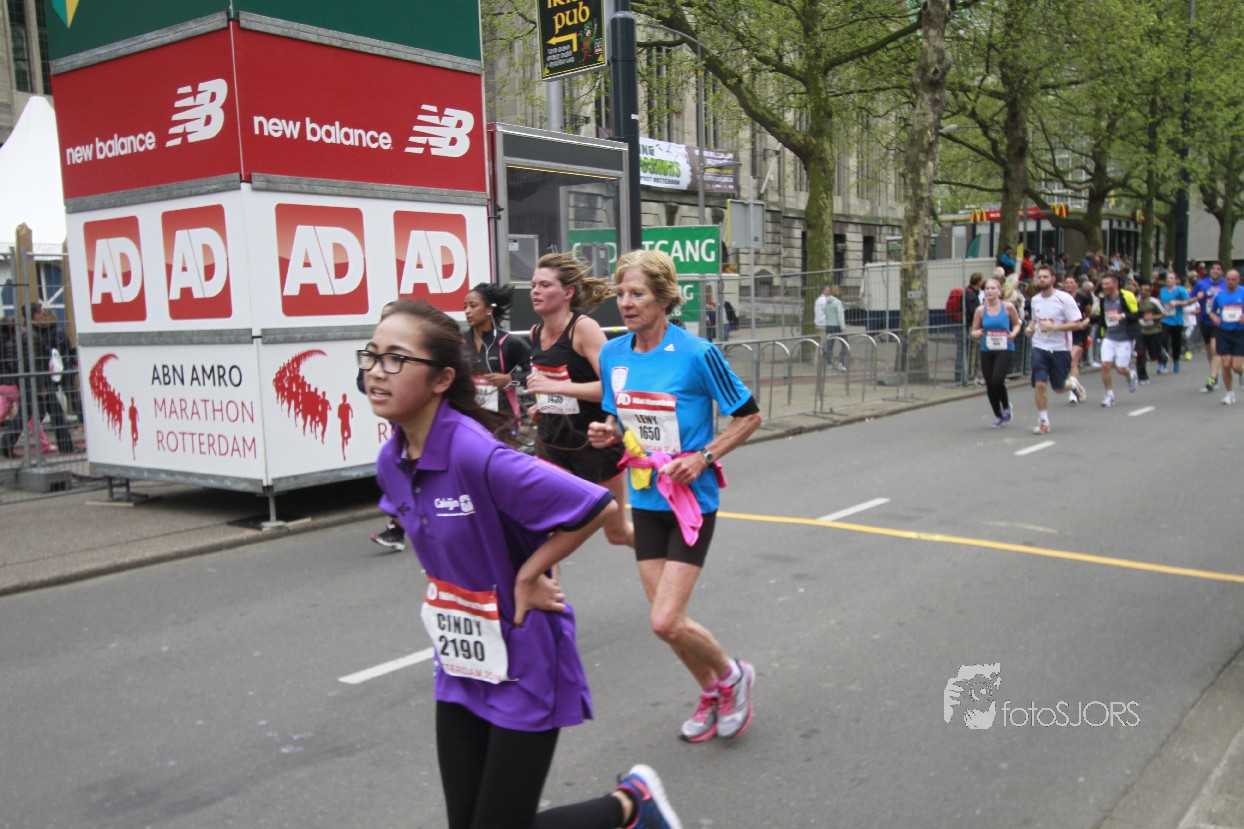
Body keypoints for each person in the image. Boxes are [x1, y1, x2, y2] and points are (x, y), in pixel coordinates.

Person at [362, 300, 682, 829]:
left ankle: (631, 804)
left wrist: (530, 575)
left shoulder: (474, 454)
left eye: (396, 358)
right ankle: (632, 806)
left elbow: (595, 505)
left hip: (524, 658)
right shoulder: (392, 460)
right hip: (462, 657)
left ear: (442, 379)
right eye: (372, 355)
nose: (376, 370)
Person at [587, 249, 762, 744]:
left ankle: (732, 677)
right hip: (646, 499)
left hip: (690, 503)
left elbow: (750, 416)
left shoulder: (697, 354)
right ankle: (711, 691)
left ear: (664, 298)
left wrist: (703, 456)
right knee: (666, 623)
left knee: (666, 619)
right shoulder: (613, 354)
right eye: (621, 293)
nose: (626, 303)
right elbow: (621, 421)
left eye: (637, 293)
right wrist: (607, 433)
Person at [526, 252, 634, 548]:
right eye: (533, 285)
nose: (535, 291)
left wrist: (557, 388)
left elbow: (613, 388)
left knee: (617, 534)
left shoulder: (583, 329)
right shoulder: (536, 333)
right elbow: (555, 389)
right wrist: (543, 404)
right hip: (552, 444)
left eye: (545, 285)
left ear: (568, 292)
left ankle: (663, 556)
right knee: (543, 531)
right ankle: (543, 581)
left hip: (594, 445)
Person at [1026, 265, 1088, 434]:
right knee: (1039, 384)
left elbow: (1077, 323)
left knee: (1058, 388)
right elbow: (1035, 320)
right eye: (1039, 277)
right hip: (1039, 346)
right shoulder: (1035, 300)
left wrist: (1055, 327)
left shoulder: (1064, 299)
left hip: (1060, 348)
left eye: (1045, 277)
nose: (1041, 280)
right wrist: (1030, 328)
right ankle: (1044, 422)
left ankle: (1073, 384)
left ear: (1053, 279)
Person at [464, 282, 531, 429]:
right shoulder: (461, 342)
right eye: (465, 307)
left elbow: (535, 373)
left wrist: (510, 379)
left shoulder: (509, 342)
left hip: (503, 420)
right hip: (471, 419)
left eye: (473, 306)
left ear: (489, 309)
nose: (467, 311)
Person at [970, 276, 1022, 427]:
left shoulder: (1008, 307)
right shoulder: (980, 310)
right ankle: (998, 415)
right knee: (989, 384)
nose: (990, 291)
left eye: (993, 288)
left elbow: (1017, 324)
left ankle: (1006, 406)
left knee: (997, 380)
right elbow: (973, 331)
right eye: (987, 288)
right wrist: (976, 333)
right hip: (987, 348)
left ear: (999, 291)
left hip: (1005, 348)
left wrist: (1013, 334)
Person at [1093, 273, 1140, 408]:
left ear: (1115, 284)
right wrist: (1086, 321)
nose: (1104, 286)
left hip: (1125, 337)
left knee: (1120, 369)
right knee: (1105, 365)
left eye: (1107, 284)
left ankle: (1130, 374)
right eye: (1103, 284)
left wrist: (1122, 316)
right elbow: (1100, 317)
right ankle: (1109, 395)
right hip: (1109, 336)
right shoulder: (1103, 299)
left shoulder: (1126, 296)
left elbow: (1137, 313)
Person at [1208, 268, 1244, 405]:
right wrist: (1215, 318)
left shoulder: (1243, 293)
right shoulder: (1219, 296)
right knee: (1226, 364)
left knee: (1236, 367)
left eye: (1233, 279)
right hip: (1223, 333)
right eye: (1228, 279)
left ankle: (1241, 372)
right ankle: (1229, 393)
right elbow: (1212, 312)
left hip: (1240, 333)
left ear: (1238, 280)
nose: (1230, 282)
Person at [1192, 262, 1225, 392]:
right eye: (1213, 268)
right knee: (1209, 351)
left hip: (1219, 321)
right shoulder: (1201, 284)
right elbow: (1191, 299)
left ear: (1222, 272)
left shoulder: (1226, 284)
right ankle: (1214, 373)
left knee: (1215, 349)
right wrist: (1197, 297)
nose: (1215, 271)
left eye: (1218, 269)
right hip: (1205, 320)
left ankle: (1212, 377)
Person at [1063, 276, 1093, 403]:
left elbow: (1089, 314)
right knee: (1070, 364)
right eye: (1067, 283)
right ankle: (1077, 387)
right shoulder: (1061, 298)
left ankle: (1072, 392)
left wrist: (1085, 321)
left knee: (1072, 360)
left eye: (1071, 282)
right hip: (1065, 333)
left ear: (1076, 284)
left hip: (1079, 333)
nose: (1069, 285)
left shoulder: (1083, 298)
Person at [1158, 271, 1190, 374]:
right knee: (1162, 340)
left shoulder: (1181, 290)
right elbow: (1160, 302)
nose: (1168, 280)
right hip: (1165, 319)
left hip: (1177, 320)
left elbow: (1188, 302)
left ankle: (1176, 360)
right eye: (1167, 278)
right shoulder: (1162, 290)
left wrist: (1177, 302)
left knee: (1176, 343)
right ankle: (1162, 363)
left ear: (1176, 280)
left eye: (1171, 278)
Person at [1135, 282, 1166, 384]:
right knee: (1141, 353)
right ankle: (1142, 377)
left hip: (1154, 330)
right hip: (1141, 331)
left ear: (1150, 291)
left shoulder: (1154, 301)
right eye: (1143, 290)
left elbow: (1165, 314)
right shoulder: (1136, 301)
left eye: (1147, 290)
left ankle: (1162, 354)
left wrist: (1152, 317)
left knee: (1154, 354)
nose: (1144, 292)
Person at [815, 284, 846, 370]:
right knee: (845, 343)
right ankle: (841, 363)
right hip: (837, 326)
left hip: (829, 326)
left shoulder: (827, 302)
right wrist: (843, 327)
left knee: (830, 345)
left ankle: (830, 364)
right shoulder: (838, 302)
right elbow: (840, 316)